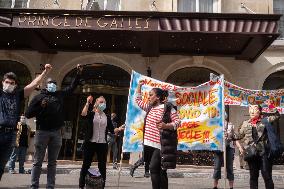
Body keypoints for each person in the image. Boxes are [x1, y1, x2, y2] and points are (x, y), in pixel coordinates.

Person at [25, 64, 83, 189]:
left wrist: (78, 74)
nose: (53, 85)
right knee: (37, 162)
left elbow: (72, 88)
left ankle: (50, 186)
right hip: (42, 132)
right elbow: (28, 114)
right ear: (46, 85)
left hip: (56, 133)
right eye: (51, 83)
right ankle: (34, 185)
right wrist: (40, 106)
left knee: (52, 162)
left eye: (55, 84)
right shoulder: (39, 97)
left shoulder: (59, 95)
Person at [0, 64, 52, 181]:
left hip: (11, 135)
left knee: (1, 165)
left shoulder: (18, 95)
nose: (9, 85)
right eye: (7, 82)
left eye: (12, 83)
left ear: (15, 85)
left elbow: (33, 85)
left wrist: (45, 73)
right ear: (3, 82)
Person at [135, 80, 180, 189]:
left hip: (159, 145)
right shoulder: (149, 107)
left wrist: (166, 126)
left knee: (153, 168)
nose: (149, 97)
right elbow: (138, 100)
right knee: (160, 171)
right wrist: (139, 86)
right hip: (147, 144)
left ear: (158, 97)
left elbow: (178, 122)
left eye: (151, 95)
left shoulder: (167, 108)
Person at [231, 103, 280, 189]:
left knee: (267, 175)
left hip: (264, 153)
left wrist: (271, 106)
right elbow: (239, 136)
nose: (252, 111)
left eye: (255, 109)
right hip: (252, 153)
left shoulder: (265, 120)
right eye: (250, 110)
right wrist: (230, 134)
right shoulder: (245, 123)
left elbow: (277, 116)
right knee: (253, 176)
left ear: (260, 111)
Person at [79, 95, 119, 189]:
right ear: (96, 103)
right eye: (101, 102)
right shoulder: (91, 114)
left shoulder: (107, 117)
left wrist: (119, 129)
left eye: (104, 102)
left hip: (102, 144)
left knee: (102, 166)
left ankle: (102, 186)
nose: (103, 104)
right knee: (86, 164)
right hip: (90, 143)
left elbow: (112, 130)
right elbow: (83, 114)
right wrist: (87, 103)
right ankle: (81, 185)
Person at [212, 112, 242, 189]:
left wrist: (239, 147)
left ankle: (231, 187)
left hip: (229, 147)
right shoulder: (215, 125)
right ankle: (215, 186)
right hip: (219, 147)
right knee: (217, 166)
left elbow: (234, 137)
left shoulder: (230, 125)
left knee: (229, 167)